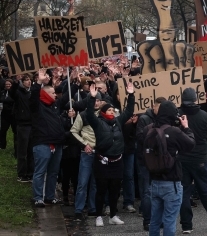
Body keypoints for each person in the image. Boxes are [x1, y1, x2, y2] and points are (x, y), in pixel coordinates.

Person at [139, 100, 198, 236]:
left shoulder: (148, 129)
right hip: (171, 182)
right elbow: (190, 144)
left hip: (154, 180)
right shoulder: (173, 131)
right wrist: (186, 127)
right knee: (170, 221)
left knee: (155, 220)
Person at [85, 82, 136, 227]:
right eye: (110, 110)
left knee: (114, 190)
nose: (113, 112)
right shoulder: (98, 123)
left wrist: (131, 95)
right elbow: (89, 114)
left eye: (114, 110)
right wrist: (91, 98)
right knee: (101, 190)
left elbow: (128, 111)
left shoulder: (118, 122)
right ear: (103, 112)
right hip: (102, 162)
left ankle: (113, 215)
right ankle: (99, 216)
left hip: (117, 161)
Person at [178, 87, 207, 233]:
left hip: (183, 159)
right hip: (200, 158)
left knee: (184, 192)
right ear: (196, 99)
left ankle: (186, 226)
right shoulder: (204, 116)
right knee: (206, 191)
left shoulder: (178, 116)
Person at [30, 69, 68, 207]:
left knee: (53, 172)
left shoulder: (54, 106)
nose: (55, 96)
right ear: (45, 93)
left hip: (57, 143)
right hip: (42, 143)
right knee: (40, 171)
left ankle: (50, 196)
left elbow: (64, 98)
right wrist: (38, 82)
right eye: (52, 93)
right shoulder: (37, 106)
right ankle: (38, 197)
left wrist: (73, 81)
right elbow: (34, 96)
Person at [70, 90, 104, 220]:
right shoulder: (83, 115)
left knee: (95, 183)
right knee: (83, 182)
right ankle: (78, 209)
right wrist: (84, 144)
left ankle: (92, 208)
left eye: (98, 100)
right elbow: (74, 131)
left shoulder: (103, 115)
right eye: (94, 100)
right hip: (86, 152)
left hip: (99, 152)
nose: (96, 103)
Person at [136, 97, 167, 230]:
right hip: (146, 159)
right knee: (147, 191)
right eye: (158, 108)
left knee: (158, 190)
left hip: (159, 160)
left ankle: (158, 219)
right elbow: (140, 137)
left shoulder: (164, 119)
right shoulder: (144, 119)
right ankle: (147, 220)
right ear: (154, 107)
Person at [10, 75, 34, 182]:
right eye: (26, 80)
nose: (28, 82)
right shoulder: (18, 92)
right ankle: (21, 174)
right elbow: (12, 93)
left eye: (29, 80)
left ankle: (30, 173)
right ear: (22, 82)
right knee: (22, 151)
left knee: (31, 151)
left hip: (32, 125)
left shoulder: (32, 93)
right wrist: (16, 81)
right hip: (23, 125)